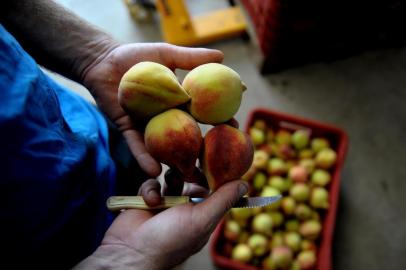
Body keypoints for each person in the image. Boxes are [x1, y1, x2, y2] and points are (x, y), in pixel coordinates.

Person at [0, 1, 248, 269]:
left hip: (78, 128)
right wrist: (122, 261)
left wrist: (94, 56)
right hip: (42, 235)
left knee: (144, 177)